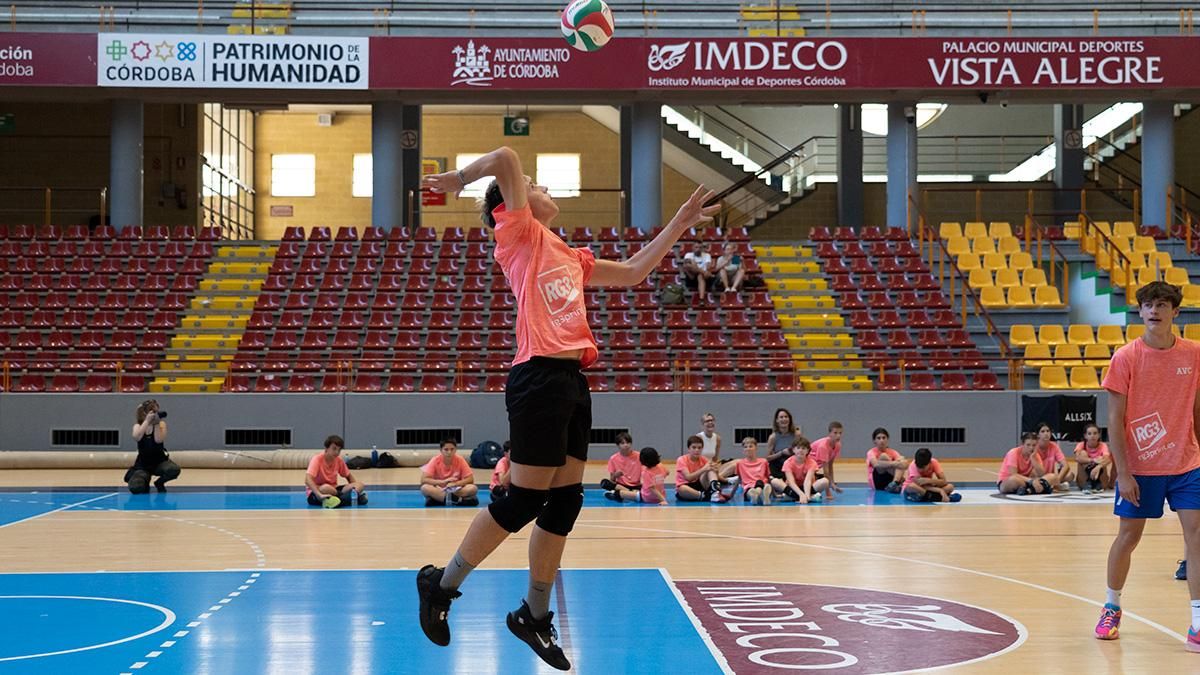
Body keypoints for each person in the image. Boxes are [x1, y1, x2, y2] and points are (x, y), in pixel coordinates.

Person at [416, 145, 718, 670]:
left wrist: (679, 223)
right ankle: (441, 586)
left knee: (566, 502)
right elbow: (506, 157)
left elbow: (632, 273)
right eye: (534, 184)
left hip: (573, 381)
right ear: (510, 208)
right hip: (537, 378)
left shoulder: (568, 254)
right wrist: (458, 178)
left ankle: (531, 617)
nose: (540, 186)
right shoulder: (518, 235)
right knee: (520, 503)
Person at [1093, 281, 1200, 651]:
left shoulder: (1194, 354)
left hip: (1187, 462)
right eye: (1148, 305)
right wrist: (1123, 472)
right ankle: (1112, 606)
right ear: (1140, 312)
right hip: (1141, 466)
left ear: (1176, 313)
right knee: (1129, 537)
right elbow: (1115, 419)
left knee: (1196, 535)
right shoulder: (1126, 357)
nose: (1155, 311)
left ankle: (1197, 623)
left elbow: (1197, 409)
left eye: (1162, 305)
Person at [125, 399, 180, 494]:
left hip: (159, 462)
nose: (155, 414)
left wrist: (157, 423)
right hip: (143, 465)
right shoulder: (138, 426)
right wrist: (147, 421)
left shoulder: (161, 424)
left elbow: (158, 440)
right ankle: (143, 481)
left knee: (173, 469)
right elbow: (137, 437)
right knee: (136, 487)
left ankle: (159, 483)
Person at [305, 435, 367, 508]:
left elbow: (348, 476)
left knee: (360, 485)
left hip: (335, 490)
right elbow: (307, 480)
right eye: (334, 449)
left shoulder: (338, 460)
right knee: (326, 488)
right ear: (326, 448)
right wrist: (319, 495)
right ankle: (346, 499)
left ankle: (336, 501)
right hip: (317, 492)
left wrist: (355, 492)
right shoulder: (317, 459)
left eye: (339, 450)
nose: (337, 452)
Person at [419, 439, 480, 507]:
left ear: (455, 450)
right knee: (424, 488)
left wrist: (455, 484)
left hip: (456, 490)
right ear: (441, 450)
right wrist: (442, 482)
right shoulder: (435, 460)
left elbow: (470, 479)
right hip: (440, 489)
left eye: (452, 449)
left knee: (473, 488)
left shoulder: (460, 460)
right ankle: (460, 501)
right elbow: (424, 480)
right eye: (446, 449)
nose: (449, 452)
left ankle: (440, 500)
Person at [716, 437, 773, 505]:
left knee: (765, 486)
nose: (748, 449)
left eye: (750, 446)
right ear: (743, 450)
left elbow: (768, 477)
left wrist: (775, 494)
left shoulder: (764, 462)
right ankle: (757, 496)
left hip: (762, 484)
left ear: (756, 448)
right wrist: (731, 495)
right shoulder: (740, 464)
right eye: (745, 447)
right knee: (750, 492)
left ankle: (760, 494)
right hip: (748, 487)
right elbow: (739, 479)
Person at [781, 436, 827, 504]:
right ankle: (810, 497)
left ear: (808, 450)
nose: (801, 450)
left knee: (825, 481)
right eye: (798, 448)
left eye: (803, 448)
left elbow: (807, 481)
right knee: (775, 482)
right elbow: (791, 482)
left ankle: (793, 497)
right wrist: (801, 494)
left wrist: (807, 496)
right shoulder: (788, 462)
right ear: (793, 450)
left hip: (807, 487)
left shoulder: (812, 463)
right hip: (794, 487)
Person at [675, 435, 718, 502]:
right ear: (689, 449)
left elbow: (713, 473)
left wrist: (716, 471)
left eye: (699, 448)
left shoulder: (704, 459)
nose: (697, 450)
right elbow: (688, 478)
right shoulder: (681, 460)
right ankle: (703, 496)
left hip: (699, 484)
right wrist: (704, 469)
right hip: (687, 486)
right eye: (694, 447)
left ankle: (715, 490)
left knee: (710, 469)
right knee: (682, 489)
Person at [866, 427, 909, 493]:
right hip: (877, 482)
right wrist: (895, 464)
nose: (881, 440)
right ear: (874, 441)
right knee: (884, 456)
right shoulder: (871, 452)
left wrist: (900, 462)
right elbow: (876, 464)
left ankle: (895, 483)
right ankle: (897, 482)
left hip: (890, 481)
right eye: (878, 438)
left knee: (901, 458)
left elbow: (905, 465)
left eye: (884, 438)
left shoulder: (893, 452)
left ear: (887, 439)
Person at [602, 432, 642, 502]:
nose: (626, 445)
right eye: (623, 443)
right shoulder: (613, 458)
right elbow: (612, 480)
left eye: (628, 443)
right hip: (621, 486)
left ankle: (620, 495)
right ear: (618, 445)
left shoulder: (639, 456)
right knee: (605, 482)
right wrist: (615, 475)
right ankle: (630, 493)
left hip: (637, 485)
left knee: (646, 489)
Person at [1074, 423, 1113, 493]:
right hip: (1084, 480)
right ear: (1085, 436)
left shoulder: (1103, 445)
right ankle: (1089, 481)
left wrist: (1098, 467)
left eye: (1095, 433)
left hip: (1100, 479)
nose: (1092, 436)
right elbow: (1077, 458)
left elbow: (1108, 459)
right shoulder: (1081, 445)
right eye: (1089, 434)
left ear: (1099, 435)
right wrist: (1093, 460)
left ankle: (1095, 481)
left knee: (1102, 458)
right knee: (1083, 454)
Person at [811, 421, 846, 500]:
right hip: (808, 466)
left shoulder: (838, 445)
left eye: (840, 433)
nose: (838, 435)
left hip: (815, 467)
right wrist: (828, 492)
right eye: (835, 433)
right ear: (829, 433)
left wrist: (832, 482)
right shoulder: (823, 446)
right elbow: (826, 471)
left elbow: (830, 465)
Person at [763, 408, 798, 482]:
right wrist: (781, 453)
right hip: (779, 465)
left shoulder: (796, 434)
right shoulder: (773, 437)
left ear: (789, 419)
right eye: (781, 417)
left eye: (786, 417)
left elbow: (803, 449)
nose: (784, 419)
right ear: (777, 420)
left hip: (793, 464)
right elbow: (768, 458)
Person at [1035, 422, 1072, 491]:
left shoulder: (1054, 446)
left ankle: (1054, 485)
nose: (1046, 433)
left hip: (1051, 477)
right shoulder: (1034, 446)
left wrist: (1057, 480)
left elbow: (1066, 466)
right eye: (1042, 431)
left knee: (1070, 475)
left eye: (1048, 431)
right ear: (1038, 435)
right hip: (1037, 476)